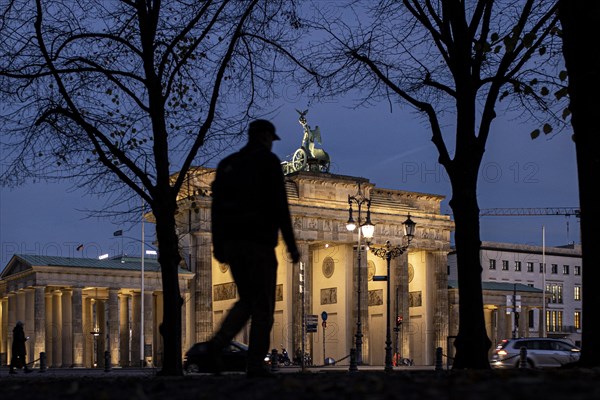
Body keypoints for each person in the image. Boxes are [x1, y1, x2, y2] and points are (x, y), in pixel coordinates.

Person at [209, 119, 300, 378]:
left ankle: (217, 345)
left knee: (247, 300)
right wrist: (292, 246)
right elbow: (280, 206)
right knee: (263, 308)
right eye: (271, 138)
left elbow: (216, 210)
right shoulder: (268, 162)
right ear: (264, 137)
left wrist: (219, 245)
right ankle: (255, 364)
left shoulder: (227, 164)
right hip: (259, 244)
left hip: (233, 244)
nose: (272, 143)